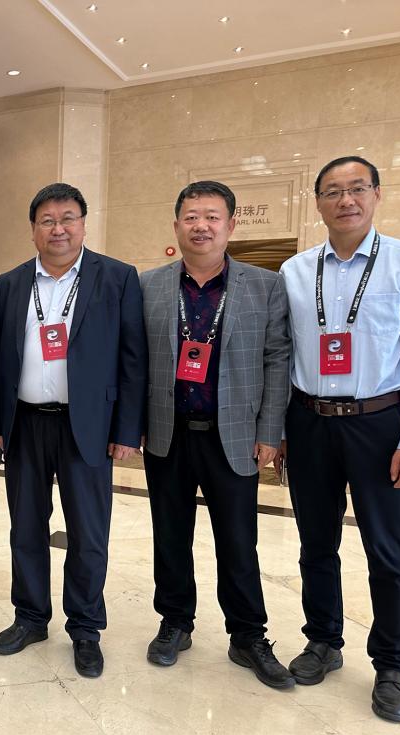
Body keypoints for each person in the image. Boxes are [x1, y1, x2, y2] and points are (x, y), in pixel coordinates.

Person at [278, 156, 400, 723]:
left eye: (357, 188)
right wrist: (281, 430)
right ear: (317, 202)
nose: (346, 200)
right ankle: (323, 641)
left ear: (377, 194)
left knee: (388, 551)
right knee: (315, 544)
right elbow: (283, 356)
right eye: (333, 191)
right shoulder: (295, 271)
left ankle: (392, 664)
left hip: (380, 423)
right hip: (309, 421)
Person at [0, 182, 146, 678]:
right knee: (25, 528)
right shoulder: (10, 284)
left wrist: (127, 429)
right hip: (25, 424)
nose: (58, 228)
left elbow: (133, 358)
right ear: (33, 229)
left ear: (83, 224)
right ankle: (30, 617)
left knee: (88, 533)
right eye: (47, 220)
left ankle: (85, 627)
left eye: (68, 218)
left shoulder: (116, 277)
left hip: (88, 426)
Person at [139, 181, 293, 688]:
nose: (200, 226)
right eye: (191, 217)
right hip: (168, 433)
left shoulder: (265, 286)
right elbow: (133, 361)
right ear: (176, 225)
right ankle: (175, 622)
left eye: (211, 217)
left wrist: (270, 430)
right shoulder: (147, 285)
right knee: (170, 535)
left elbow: (277, 360)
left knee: (238, 541)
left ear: (231, 225)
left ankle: (248, 634)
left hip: (235, 435)